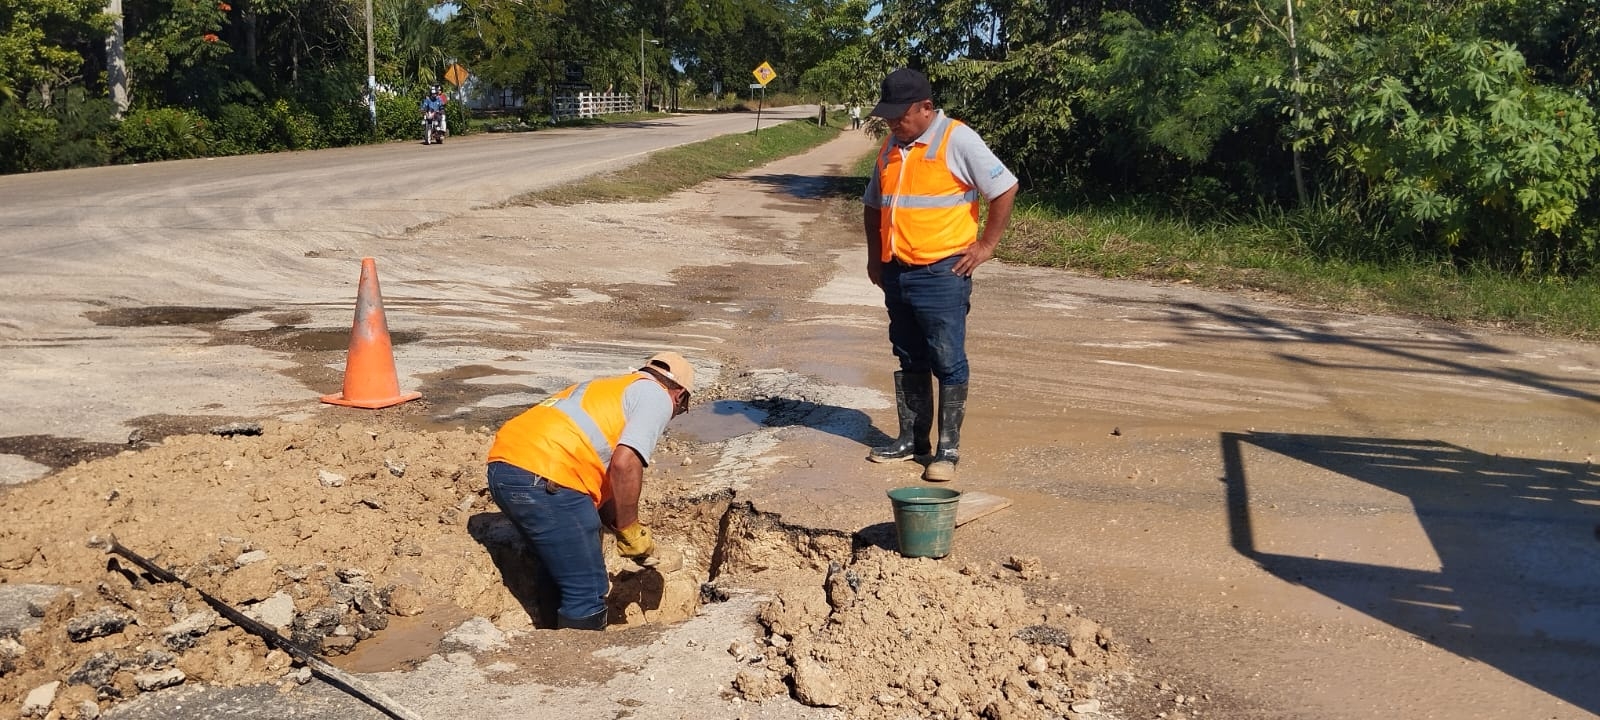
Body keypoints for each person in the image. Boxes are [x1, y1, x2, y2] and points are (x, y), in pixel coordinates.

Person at [861, 67, 1018, 483]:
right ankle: (913, 439)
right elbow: (873, 204)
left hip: (942, 274)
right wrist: (876, 257)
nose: (894, 122)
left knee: (947, 360)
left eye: (901, 114)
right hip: (897, 272)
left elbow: (1004, 188)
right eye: (889, 115)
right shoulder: (890, 147)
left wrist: (986, 246)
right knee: (909, 354)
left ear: (926, 107)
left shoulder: (957, 139)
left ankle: (947, 450)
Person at [484, 351, 695, 630]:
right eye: (680, 411)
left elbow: (605, 481)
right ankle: (577, 666)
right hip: (547, 476)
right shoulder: (657, 396)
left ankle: (550, 643)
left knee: (562, 568)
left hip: (506, 469)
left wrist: (618, 526)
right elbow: (624, 464)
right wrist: (630, 528)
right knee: (587, 589)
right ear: (679, 396)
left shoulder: (610, 390)